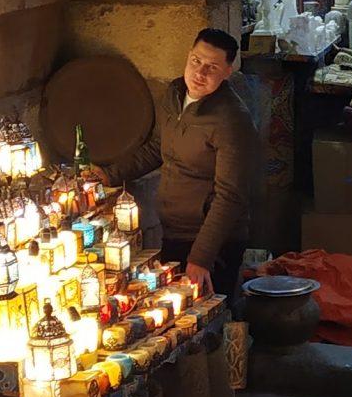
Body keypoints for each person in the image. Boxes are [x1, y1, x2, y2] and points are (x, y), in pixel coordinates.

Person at [106, 28, 256, 293]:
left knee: (209, 318)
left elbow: (231, 196)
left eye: (212, 67)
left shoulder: (231, 120)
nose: (200, 73)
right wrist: (110, 175)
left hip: (212, 240)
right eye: (196, 61)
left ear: (227, 71)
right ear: (188, 56)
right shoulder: (174, 94)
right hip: (174, 229)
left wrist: (201, 257)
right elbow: (156, 149)